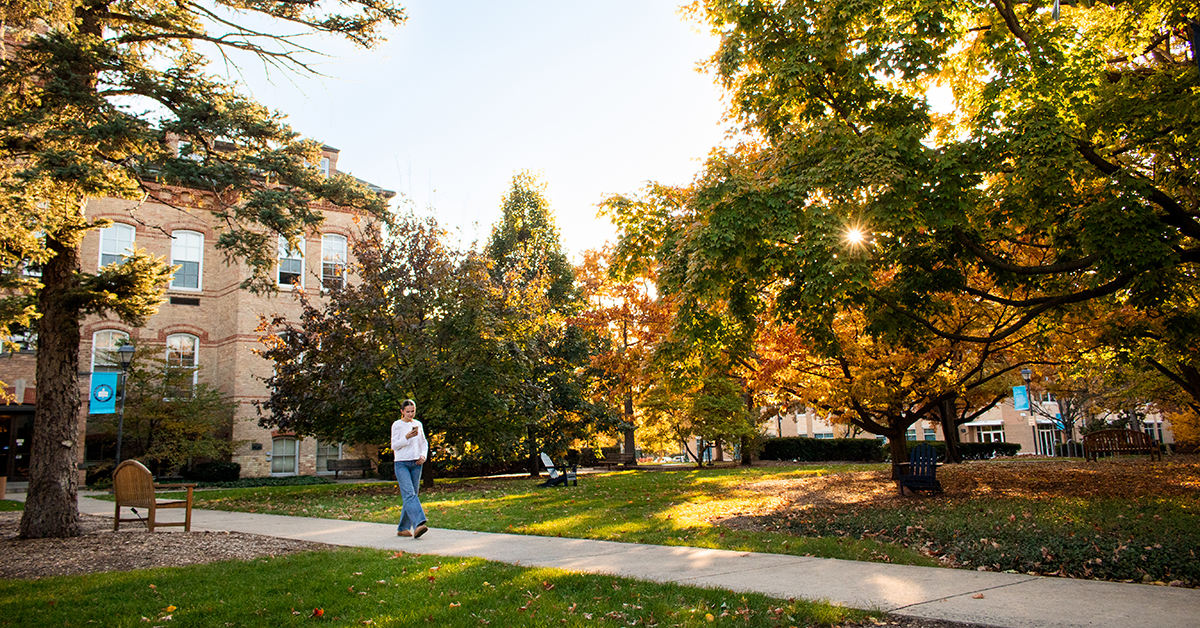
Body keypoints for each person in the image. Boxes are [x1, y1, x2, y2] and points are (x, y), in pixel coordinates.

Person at [390, 399, 429, 538]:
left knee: (412, 495)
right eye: (408, 412)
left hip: (416, 464)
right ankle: (419, 523)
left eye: (413, 411)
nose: (411, 414)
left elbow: (424, 443)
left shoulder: (418, 424)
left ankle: (402, 528)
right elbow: (394, 446)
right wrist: (406, 437)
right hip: (401, 463)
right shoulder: (397, 425)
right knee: (409, 494)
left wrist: (423, 456)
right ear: (402, 411)